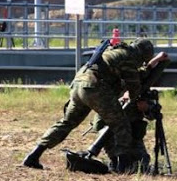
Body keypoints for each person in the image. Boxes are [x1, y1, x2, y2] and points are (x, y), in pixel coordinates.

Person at [21, 38, 168, 172]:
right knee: (121, 124)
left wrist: (151, 64)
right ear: (141, 55)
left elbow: (135, 74)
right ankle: (123, 165)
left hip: (79, 84)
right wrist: (133, 97)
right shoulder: (129, 58)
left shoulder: (116, 52)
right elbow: (134, 86)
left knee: (67, 122)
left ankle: (33, 155)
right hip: (95, 86)